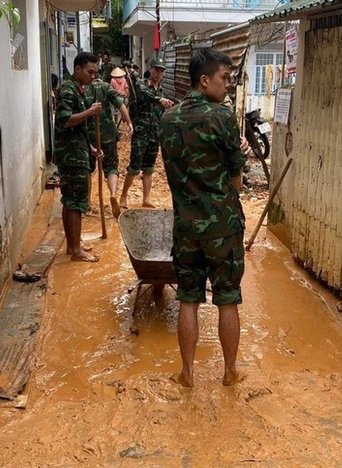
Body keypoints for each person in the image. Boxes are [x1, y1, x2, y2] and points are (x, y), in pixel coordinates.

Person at [159, 48, 251, 388]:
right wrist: (237, 155)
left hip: (186, 227)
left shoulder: (167, 119)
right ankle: (229, 373)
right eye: (224, 78)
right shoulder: (222, 117)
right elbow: (237, 183)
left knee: (188, 298)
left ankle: (187, 374)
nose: (228, 85)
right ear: (204, 80)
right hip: (222, 227)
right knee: (227, 298)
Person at [54, 52, 103, 262]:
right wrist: (90, 112)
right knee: (76, 202)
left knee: (69, 200)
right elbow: (64, 120)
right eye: (90, 72)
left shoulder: (78, 89)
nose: (93, 77)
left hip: (77, 150)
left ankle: (72, 245)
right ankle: (76, 251)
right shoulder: (68, 89)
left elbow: (77, 128)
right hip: (71, 156)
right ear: (78, 69)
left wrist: (90, 147)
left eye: (95, 73)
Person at [119, 57, 174, 209]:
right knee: (134, 167)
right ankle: (123, 197)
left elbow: (163, 114)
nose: (158, 73)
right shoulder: (141, 85)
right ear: (150, 70)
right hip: (141, 132)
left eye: (161, 71)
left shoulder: (163, 92)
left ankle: (146, 199)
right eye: (156, 70)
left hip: (155, 134)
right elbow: (143, 95)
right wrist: (159, 100)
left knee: (149, 168)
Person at [85, 77, 133, 219]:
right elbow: (120, 104)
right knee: (112, 167)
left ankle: (87, 202)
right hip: (108, 134)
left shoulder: (83, 89)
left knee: (88, 168)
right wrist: (129, 122)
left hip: (89, 133)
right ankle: (113, 194)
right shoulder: (107, 87)